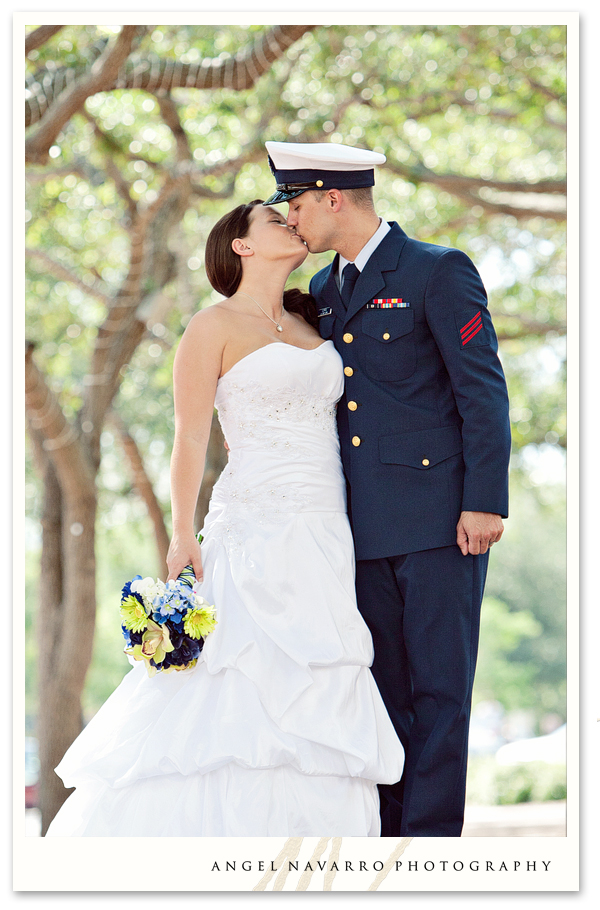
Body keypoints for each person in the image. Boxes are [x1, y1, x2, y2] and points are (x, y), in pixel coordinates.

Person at [46, 199, 404, 837]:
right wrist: (182, 532)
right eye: (273, 219)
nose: (290, 222)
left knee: (322, 669)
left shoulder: (314, 316)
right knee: (237, 672)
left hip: (326, 525)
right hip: (252, 524)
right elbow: (188, 441)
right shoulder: (210, 327)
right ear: (240, 246)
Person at [263, 141, 512, 837]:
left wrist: (485, 499)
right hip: (360, 529)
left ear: (333, 199)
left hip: (441, 521)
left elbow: (483, 393)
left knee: (439, 695)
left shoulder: (436, 271)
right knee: (382, 694)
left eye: (299, 204)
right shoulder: (324, 292)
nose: (294, 222)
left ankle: (428, 858)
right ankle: (387, 847)